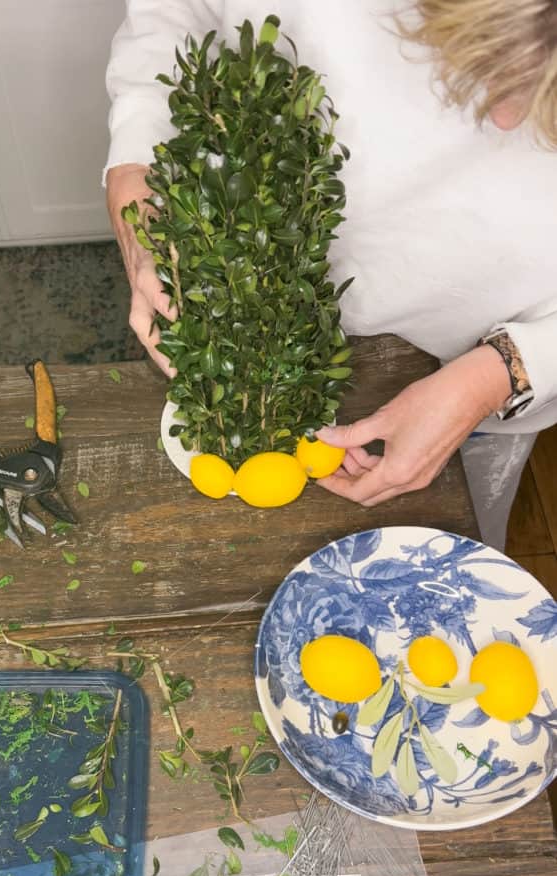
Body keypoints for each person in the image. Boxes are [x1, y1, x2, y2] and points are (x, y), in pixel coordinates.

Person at [104, 0, 557, 551]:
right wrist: (135, 172)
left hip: (495, 374)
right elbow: (172, 14)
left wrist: (504, 372)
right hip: (245, 308)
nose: (506, 119)